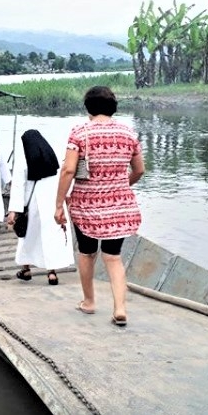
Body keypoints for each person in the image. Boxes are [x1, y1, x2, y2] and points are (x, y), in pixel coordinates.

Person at [55, 86, 144, 327]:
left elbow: (69, 170)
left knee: (86, 253)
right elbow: (139, 170)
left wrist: (59, 204)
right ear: (113, 107)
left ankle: (89, 301)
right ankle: (120, 308)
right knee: (113, 257)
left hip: (86, 206)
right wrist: (120, 186)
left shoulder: (80, 133)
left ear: (88, 108)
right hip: (120, 207)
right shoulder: (128, 133)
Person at [7, 129, 74, 285]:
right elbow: (64, 177)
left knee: (26, 237)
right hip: (54, 203)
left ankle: (26, 269)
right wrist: (66, 199)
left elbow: (18, 186)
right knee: (50, 237)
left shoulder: (24, 159)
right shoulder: (52, 156)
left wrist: (13, 211)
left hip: (33, 205)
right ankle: (52, 273)